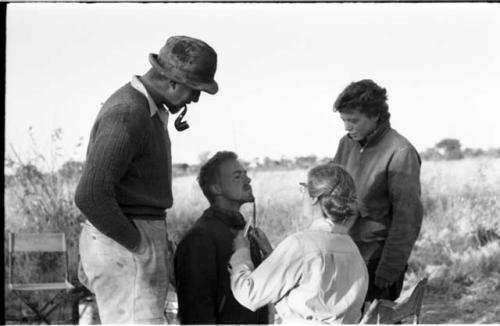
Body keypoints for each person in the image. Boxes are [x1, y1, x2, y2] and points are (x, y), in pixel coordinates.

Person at [74, 35, 218, 324]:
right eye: (195, 89)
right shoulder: (128, 113)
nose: (196, 98)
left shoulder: (147, 110)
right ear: (173, 82)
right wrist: (139, 245)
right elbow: (90, 195)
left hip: (129, 238)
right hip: (125, 244)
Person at [230, 163, 369, 324]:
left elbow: (249, 294)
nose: (302, 195)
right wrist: (272, 255)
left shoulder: (300, 245)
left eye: (303, 189)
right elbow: (312, 285)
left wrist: (241, 253)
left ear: (314, 198)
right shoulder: (353, 250)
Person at [332, 79, 423, 302]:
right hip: (343, 254)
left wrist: (390, 267)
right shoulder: (346, 143)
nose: (347, 127)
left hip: (377, 261)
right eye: (344, 120)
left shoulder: (401, 152)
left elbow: (407, 217)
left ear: (375, 116)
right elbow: (331, 191)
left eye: (353, 120)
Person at [174, 151, 269, 324]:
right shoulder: (200, 238)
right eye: (237, 176)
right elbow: (196, 311)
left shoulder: (246, 232)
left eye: (246, 175)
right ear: (216, 188)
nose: (248, 180)